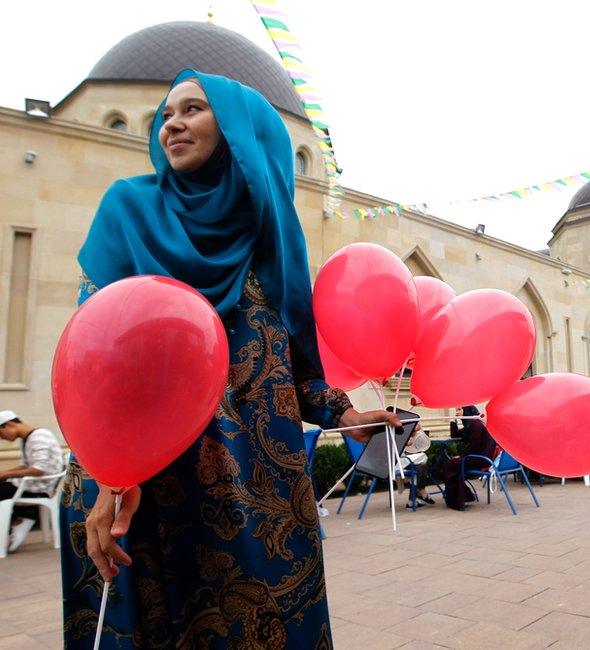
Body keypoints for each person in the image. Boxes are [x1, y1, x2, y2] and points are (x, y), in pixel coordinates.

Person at [60, 70, 399, 648]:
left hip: (258, 490)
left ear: (242, 133)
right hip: (138, 480)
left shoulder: (271, 241)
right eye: (167, 114)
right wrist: (105, 474)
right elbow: (93, 359)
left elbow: (295, 365)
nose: (173, 123)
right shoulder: (129, 210)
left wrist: (344, 414)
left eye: (192, 110)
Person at [0, 411, 63, 552]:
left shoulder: (40, 436)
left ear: (8, 425)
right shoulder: (27, 439)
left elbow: (38, 469)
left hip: (40, 487)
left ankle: (22, 516)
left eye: (1, 434)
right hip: (30, 485)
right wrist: (5, 474)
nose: (2, 438)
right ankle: (18, 518)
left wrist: (6, 474)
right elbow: (25, 466)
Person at [442, 406, 496, 510]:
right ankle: (464, 496)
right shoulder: (471, 423)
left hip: (480, 458)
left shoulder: (475, 424)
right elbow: (455, 435)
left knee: (449, 465)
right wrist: (453, 420)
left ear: (466, 410)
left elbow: (474, 446)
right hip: (480, 457)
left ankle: (457, 500)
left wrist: (461, 456)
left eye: (459, 409)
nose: (457, 412)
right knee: (454, 464)